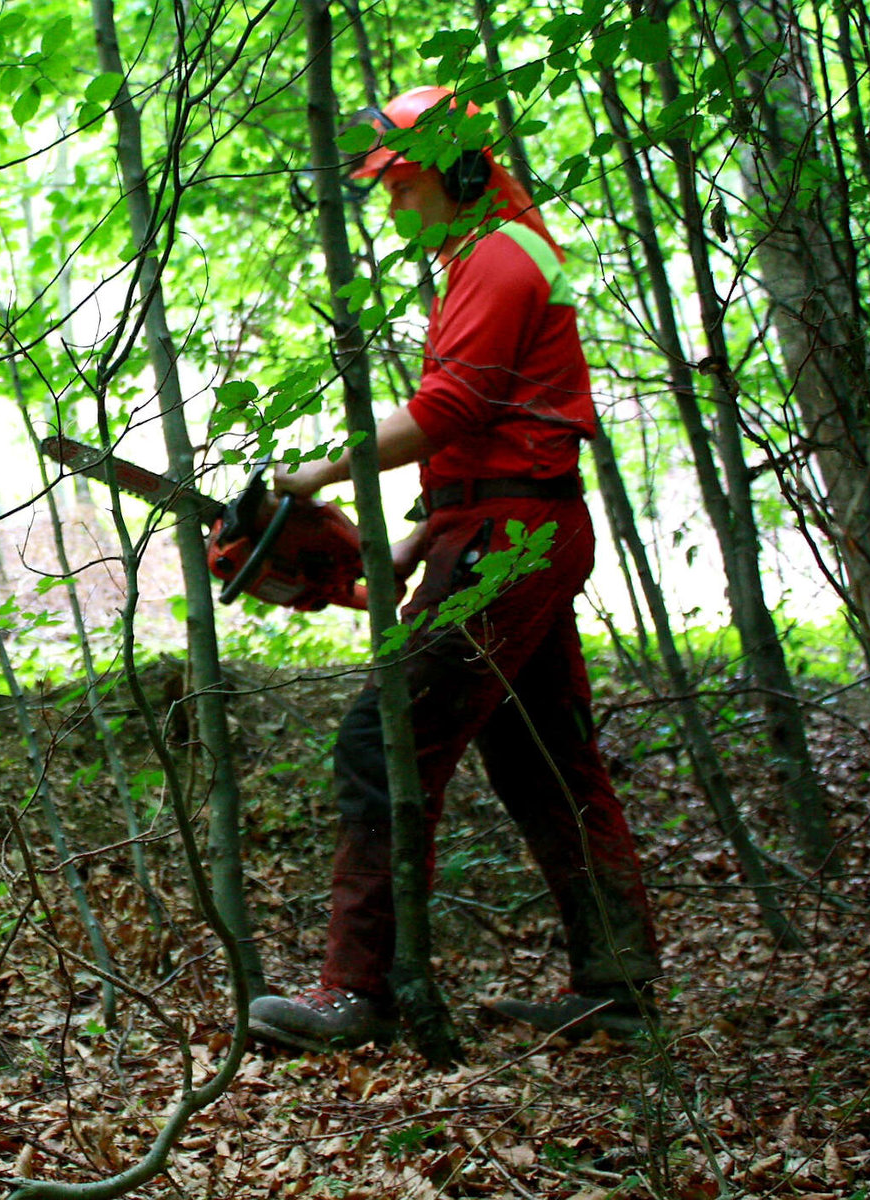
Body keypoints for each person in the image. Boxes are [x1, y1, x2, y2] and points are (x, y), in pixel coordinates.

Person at [246, 86, 662, 1053]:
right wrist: (406, 547)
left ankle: (362, 995)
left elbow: (457, 406)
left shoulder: (502, 261)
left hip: (514, 539)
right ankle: (619, 990)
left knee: (380, 741)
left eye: (401, 183)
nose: (392, 206)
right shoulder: (488, 257)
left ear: (454, 168)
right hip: (506, 529)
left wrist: (319, 468)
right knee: (547, 761)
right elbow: (486, 433)